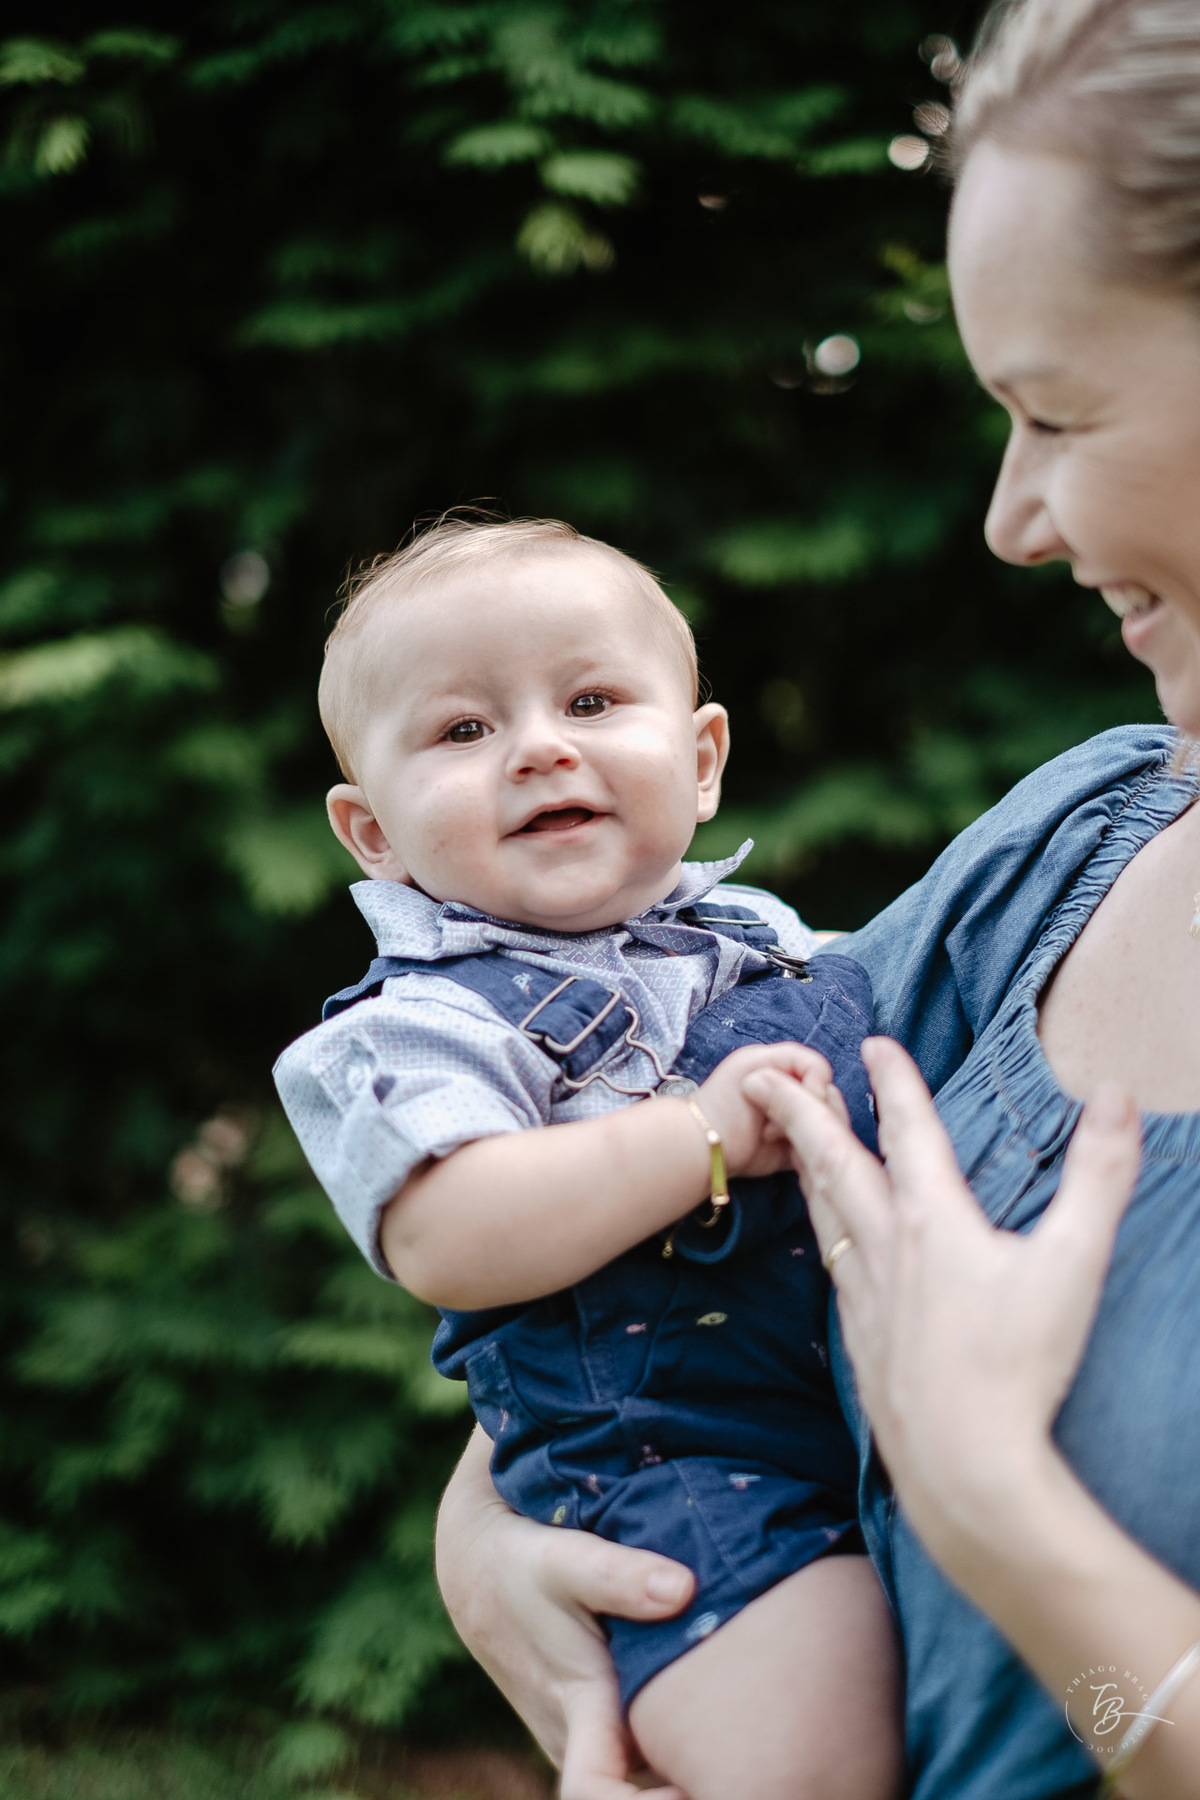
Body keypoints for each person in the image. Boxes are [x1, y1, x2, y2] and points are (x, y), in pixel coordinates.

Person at [431, 2, 1200, 1796]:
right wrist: (509, 1570)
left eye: (1056, 410)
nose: (1012, 516)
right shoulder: (1055, 863)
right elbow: (620, 1341)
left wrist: (988, 1498)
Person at [273, 515, 904, 1800]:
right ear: (374, 835)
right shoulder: (418, 1030)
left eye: (594, 699)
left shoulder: (772, 937)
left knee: (1066, 1693)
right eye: (463, 731)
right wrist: (700, 1135)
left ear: (704, 756)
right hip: (675, 1466)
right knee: (823, 1744)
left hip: (869, 1399)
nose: (541, 747)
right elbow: (449, 1236)